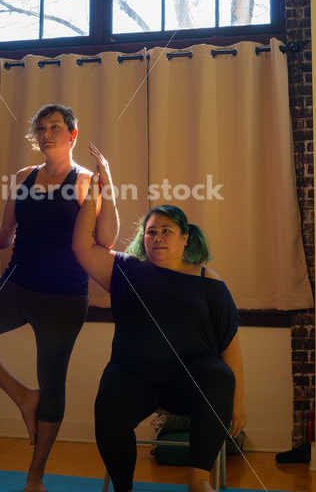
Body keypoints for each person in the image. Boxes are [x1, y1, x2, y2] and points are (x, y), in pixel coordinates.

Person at [0, 105, 118, 492]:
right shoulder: (23, 177)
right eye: (41, 127)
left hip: (63, 296)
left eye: (55, 126)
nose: (46, 132)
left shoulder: (86, 181)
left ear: (72, 135)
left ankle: (35, 477)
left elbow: (104, 241)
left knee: (53, 382)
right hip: (16, 284)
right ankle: (23, 396)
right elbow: (5, 232)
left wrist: (110, 189)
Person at [72, 158, 246, 492]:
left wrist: (238, 400)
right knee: (108, 400)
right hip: (135, 379)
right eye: (151, 231)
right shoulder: (125, 271)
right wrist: (100, 190)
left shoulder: (210, 282)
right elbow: (82, 247)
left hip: (189, 382)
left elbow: (230, 346)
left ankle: (199, 482)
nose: (159, 237)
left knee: (219, 374)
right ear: (143, 239)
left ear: (185, 239)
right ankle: (123, 488)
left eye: (168, 231)